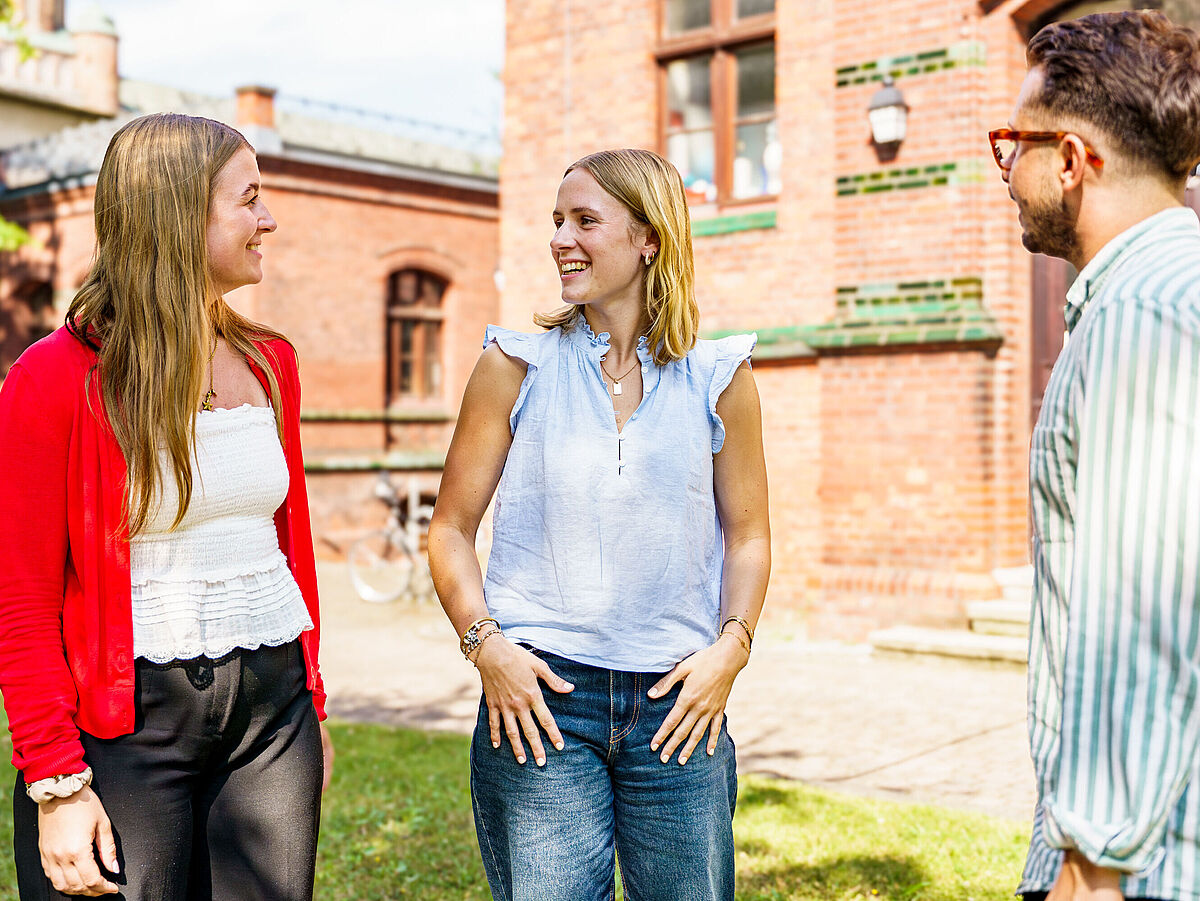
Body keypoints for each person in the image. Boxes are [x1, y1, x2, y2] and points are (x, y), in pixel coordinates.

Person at [0, 113, 333, 900]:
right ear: (179, 215)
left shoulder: (272, 362)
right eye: (248, 199)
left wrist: (311, 708)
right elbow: (22, 599)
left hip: (273, 716)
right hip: (123, 730)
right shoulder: (54, 378)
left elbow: (289, 548)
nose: (268, 219)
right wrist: (57, 781)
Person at [427, 147, 770, 900]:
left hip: (680, 706)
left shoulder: (718, 377)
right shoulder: (513, 366)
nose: (560, 239)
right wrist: (487, 647)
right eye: (557, 220)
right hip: (539, 703)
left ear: (650, 238)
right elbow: (449, 528)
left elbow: (749, 536)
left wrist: (732, 650)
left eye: (585, 220)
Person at [991, 11, 1200, 901]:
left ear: (1072, 160)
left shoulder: (1140, 316)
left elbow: (1145, 606)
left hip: (1146, 864)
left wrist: (1091, 859)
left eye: (1015, 143)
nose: (1007, 169)